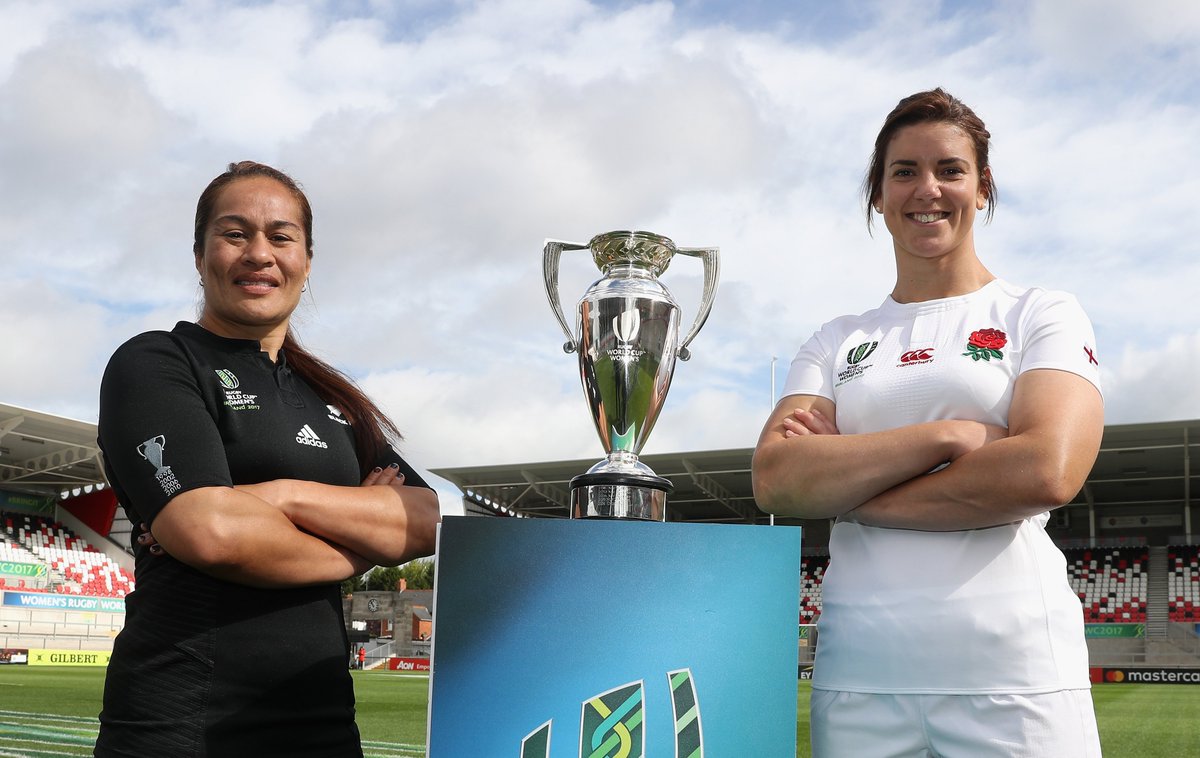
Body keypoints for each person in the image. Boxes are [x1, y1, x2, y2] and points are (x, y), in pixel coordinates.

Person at [752, 89, 1104, 757]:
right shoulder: (834, 341)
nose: (928, 189)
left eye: (950, 169)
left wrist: (852, 490)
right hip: (859, 682)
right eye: (904, 171)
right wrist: (952, 438)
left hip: (1015, 679)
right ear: (878, 194)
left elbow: (1045, 470)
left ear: (983, 186)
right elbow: (777, 480)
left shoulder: (1040, 313)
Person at [94, 161, 441, 757]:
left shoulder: (332, 398)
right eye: (236, 234)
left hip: (325, 727)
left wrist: (278, 496)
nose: (260, 253)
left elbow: (424, 520)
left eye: (281, 236)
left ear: (306, 260)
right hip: (182, 726)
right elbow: (211, 532)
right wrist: (361, 536)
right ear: (200, 254)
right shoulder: (157, 363)